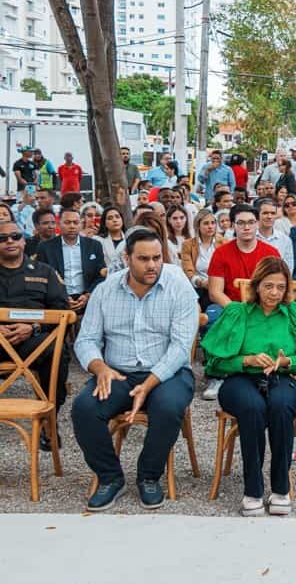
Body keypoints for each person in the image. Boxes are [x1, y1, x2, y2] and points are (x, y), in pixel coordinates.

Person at [71, 228, 199, 512]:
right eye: (143, 259)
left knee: (167, 407)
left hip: (168, 372)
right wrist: (99, 367)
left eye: (157, 258)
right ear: (127, 258)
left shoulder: (179, 288)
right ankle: (110, 477)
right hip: (118, 372)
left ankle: (149, 477)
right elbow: (87, 340)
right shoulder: (106, 290)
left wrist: (150, 383)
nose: (152, 265)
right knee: (84, 408)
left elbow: (180, 347)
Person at [201, 256, 296, 517]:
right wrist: (247, 360)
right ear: (257, 285)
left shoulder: (294, 315)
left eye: (280, 286)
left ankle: (280, 488)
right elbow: (214, 363)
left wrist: (287, 361)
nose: (274, 292)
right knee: (252, 407)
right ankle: (252, 489)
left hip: (282, 378)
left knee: (279, 405)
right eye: (268, 286)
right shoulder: (237, 312)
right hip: (240, 379)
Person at [0, 219, 72, 449]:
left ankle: (48, 417)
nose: (9, 241)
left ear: (24, 241)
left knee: (59, 350)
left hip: (34, 341)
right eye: (2, 238)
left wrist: (33, 327)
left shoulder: (45, 272)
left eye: (15, 236)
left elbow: (62, 312)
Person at [205, 204, 281, 399]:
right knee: (212, 317)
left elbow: (278, 287)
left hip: (263, 306)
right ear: (233, 226)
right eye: (241, 223)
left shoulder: (270, 252)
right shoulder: (221, 253)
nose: (246, 227)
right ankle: (216, 373)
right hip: (230, 305)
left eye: (250, 222)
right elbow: (215, 292)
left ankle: (271, 369)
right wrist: (237, 309)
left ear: (257, 224)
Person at [36, 208, 105, 315]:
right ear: (59, 224)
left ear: (81, 224)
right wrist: (62, 297)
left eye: (75, 222)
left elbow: (101, 274)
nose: (72, 226)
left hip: (89, 298)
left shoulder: (94, 245)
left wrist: (88, 295)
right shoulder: (45, 247)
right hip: (57, 300)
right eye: (67, 222)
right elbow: (42, 277)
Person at [181, 208, 226, 311]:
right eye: (206, 223)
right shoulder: (188, 245)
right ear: (198, 226)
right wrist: (200, 282)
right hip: (198, 287)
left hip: (220, 287)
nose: (210, 226)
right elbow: (188, 270)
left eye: (213, 223)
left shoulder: (224, 243)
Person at [255, 198, 294, 275]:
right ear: (257, 215)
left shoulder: (285, 240)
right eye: (265, 213)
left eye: (273, 213)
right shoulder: (250, 237)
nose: (269, 216)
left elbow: (288, 268)